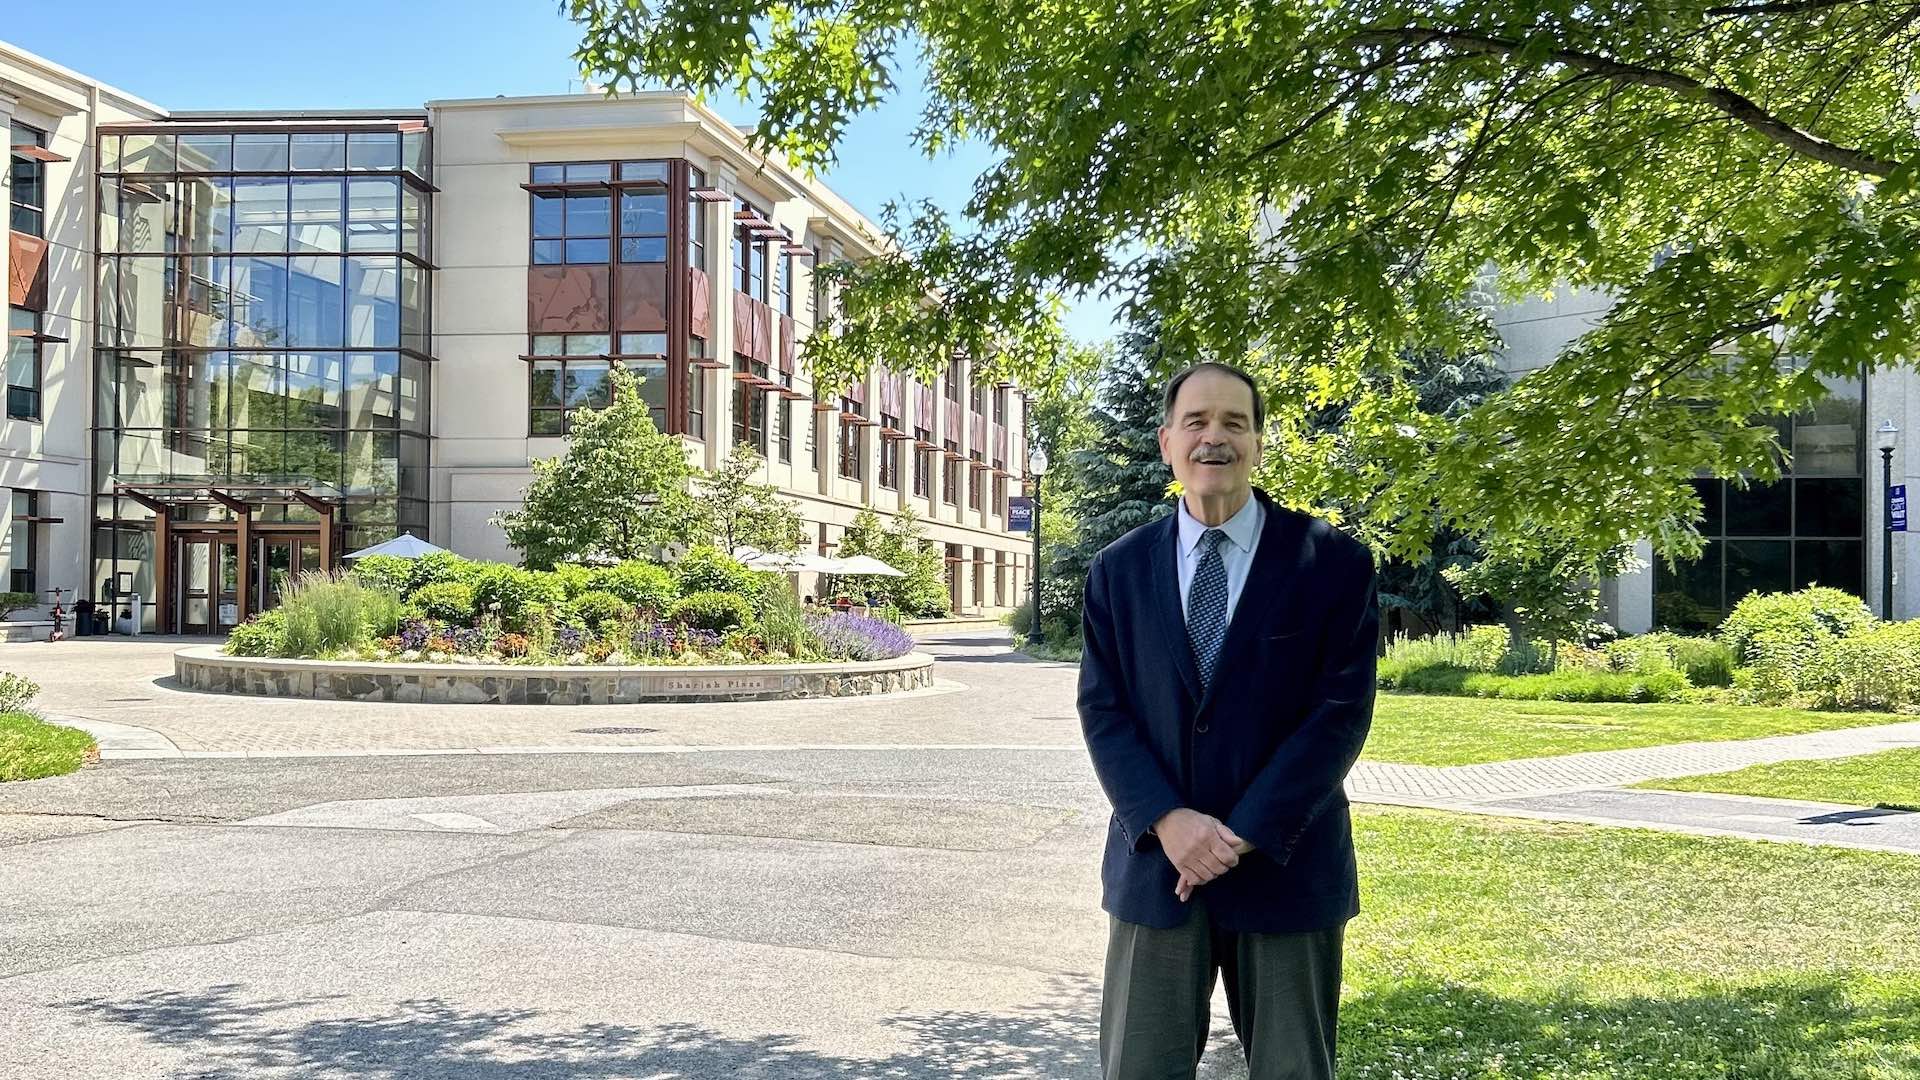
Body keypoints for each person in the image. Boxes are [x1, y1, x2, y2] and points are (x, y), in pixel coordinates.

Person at [1078, 362, 1379, 1079]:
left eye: (1234, 423)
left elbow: (1339, 714)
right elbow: (1103, 708)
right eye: (1197, 422)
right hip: (1159, 869)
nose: (1215, 438)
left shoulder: (1330, 563)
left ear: (1259, 443)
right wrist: (1167, 820)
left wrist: (1240, 833)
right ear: (1167, 443)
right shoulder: (1117, 570)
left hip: (1286, 865)